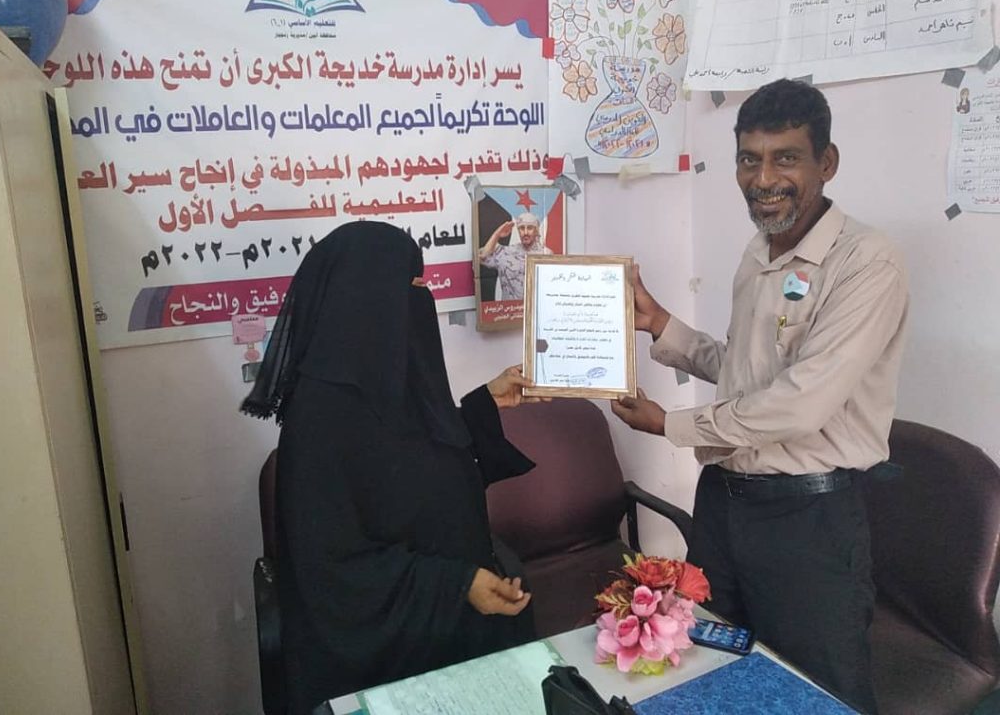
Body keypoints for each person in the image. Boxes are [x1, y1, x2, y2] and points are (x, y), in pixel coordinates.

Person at [610, 79, 908, 715]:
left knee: (818, 695)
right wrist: (662, 325)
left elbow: (799, 403)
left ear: (827, 163)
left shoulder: (866, 263)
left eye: (785, 158)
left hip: (808, 520)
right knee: (715, 669)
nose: (764, 179)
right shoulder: (760, 251)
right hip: (724, 504)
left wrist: (670, 425)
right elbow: (749, 377)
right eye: (750, 159)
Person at [241, 221, 540, 712]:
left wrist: (485, 401)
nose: (422, 298)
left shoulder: (386, 388)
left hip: (449, 630)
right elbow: (334, 574)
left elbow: (412, 462)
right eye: (412, 285)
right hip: (385, 669)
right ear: (367, 298)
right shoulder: (321, 416)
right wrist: (457, 585)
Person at [478, 211, 553, 300]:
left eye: (530, 228)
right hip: (509, 308)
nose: (525, 232)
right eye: (521, 228)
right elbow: (481, 256)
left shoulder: (546, 254)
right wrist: (498, 234)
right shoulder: (506, 252)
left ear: (536, 230)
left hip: (533, 306)